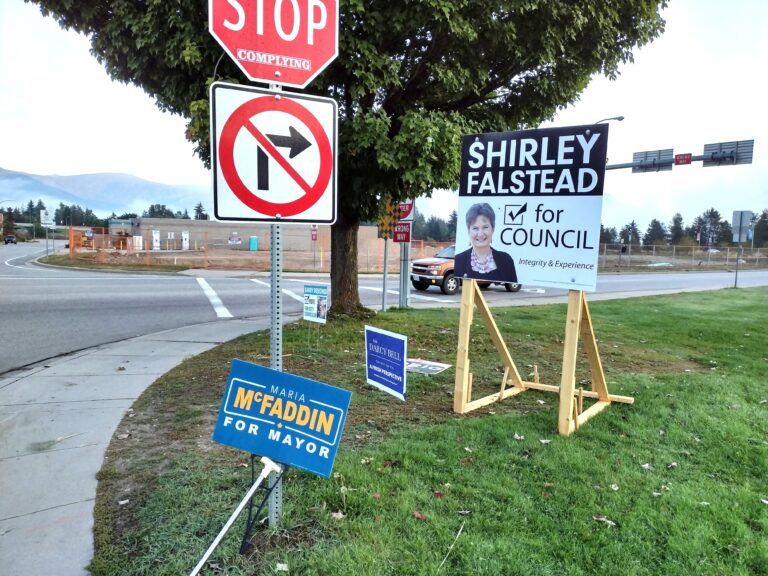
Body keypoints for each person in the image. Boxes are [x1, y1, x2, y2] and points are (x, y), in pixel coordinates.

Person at [454, 202, 517, 283]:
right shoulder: (459, 260)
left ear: (493, 228)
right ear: (468, 231)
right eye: (475, 228)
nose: (480, 234)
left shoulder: (506, 260)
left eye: (485, 227)